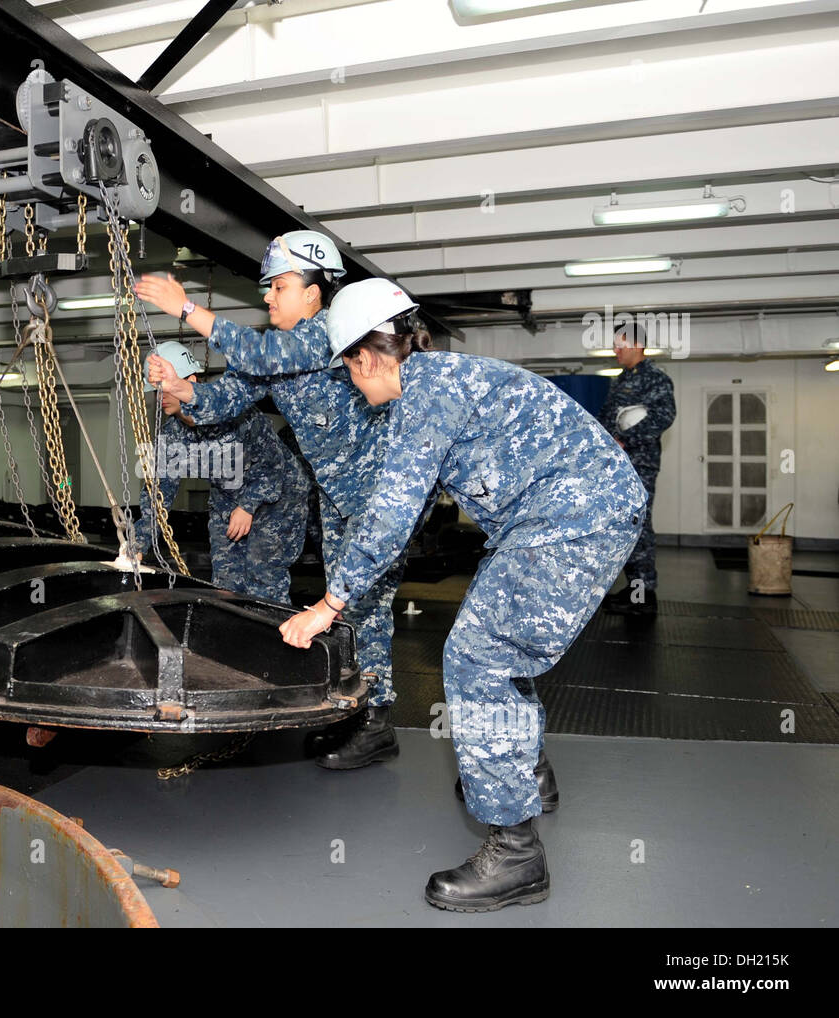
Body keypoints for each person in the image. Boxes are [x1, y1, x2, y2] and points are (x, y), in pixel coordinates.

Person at [277, 278, 648, 911]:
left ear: (366, 357)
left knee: (478, 655)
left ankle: (515, 852)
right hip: (573, 513)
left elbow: (392, 515)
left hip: (572, 519)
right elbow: (408, 503)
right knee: (504, 647)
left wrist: (328, 605)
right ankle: (525, 773)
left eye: (348, 371)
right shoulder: (437, 383)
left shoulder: (426, 394)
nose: (352, 386)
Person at [137, 231, 420, 769]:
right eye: (268, 287)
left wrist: (188, 308)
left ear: (315, 293)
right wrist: (180, 389)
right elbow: (220, 400)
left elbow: (262, 353)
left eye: (280, 286)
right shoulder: (273, 351)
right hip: (336, 500)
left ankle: (377, 720)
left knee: (365, 608)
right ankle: (352, 710)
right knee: (345, 613)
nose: (268, 296)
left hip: (379, 494)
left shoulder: (330, 332)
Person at [132, 341, 310, 602]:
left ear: (190, 380)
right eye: (155, 392)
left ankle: (271, 639)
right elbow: (159, 493)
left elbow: (273, 466)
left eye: (165, 389)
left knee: (263, 577)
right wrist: (137, 544)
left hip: (280, 496)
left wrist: (248, 506)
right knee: (226, 585)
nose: (160, 398)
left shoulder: (234, 412)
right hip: (227, 499)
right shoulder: (172, 434)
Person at [597, 321, 676, 616]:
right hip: (619, 466)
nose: (615, 350)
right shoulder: (620, 380)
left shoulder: (656, 379)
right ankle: (634, 589)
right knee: (625, 526)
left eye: (620, 344)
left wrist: (625, 439)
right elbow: (606, 418)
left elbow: (664, 417)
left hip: (640, 464)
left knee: (638, 525)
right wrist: (606, 441)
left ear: (636, 344)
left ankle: (644, 596)